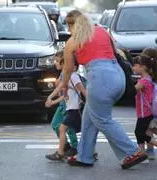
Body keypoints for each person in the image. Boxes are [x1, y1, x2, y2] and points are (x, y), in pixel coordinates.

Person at [60, 10, 147, 169]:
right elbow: (116, 51)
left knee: (102, 119)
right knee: (89, 116)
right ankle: (84, 156)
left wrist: (64, 86)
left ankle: (133, 151)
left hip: (100, 78)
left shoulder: (73, 41)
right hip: (118, 76)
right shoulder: (102, 30)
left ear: (71, 25)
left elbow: (67, 69)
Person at [45, 55, 86, 161]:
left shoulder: (73, 76)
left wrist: (90, 103)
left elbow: (83, 90)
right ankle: (70, 150)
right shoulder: (67, 77)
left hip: (74, 110)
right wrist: (51, 99)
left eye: (59, 62)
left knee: (64, 128)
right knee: (70, 129)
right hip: (70, 109)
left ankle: (63, 152)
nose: (57, 64)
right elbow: (60, 90)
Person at [132, 55, 157, 162]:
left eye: (135, 65)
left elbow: (133, 90)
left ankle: (142, 152)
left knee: (140, 133)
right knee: (141, 132)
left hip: (145, 113)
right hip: (142, 113)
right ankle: (142, 153)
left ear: (143, 67)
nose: (133, 67)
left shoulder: (145, 81)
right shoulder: (145, 79)